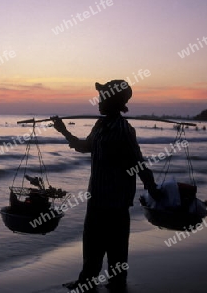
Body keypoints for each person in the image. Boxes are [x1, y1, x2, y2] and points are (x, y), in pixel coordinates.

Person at [52, 80, 162, 292]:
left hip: (116, 201)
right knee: (92, 243)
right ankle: (87, 281)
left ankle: (117, 283)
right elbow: (85, 147)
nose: (99, 102)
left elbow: (138, 163)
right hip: (96, 197)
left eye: (103, 97)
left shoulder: (124, 130)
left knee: (116, 248)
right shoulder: (100, 126)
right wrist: (63, 131)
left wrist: (152, 187)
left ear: (114, 101)